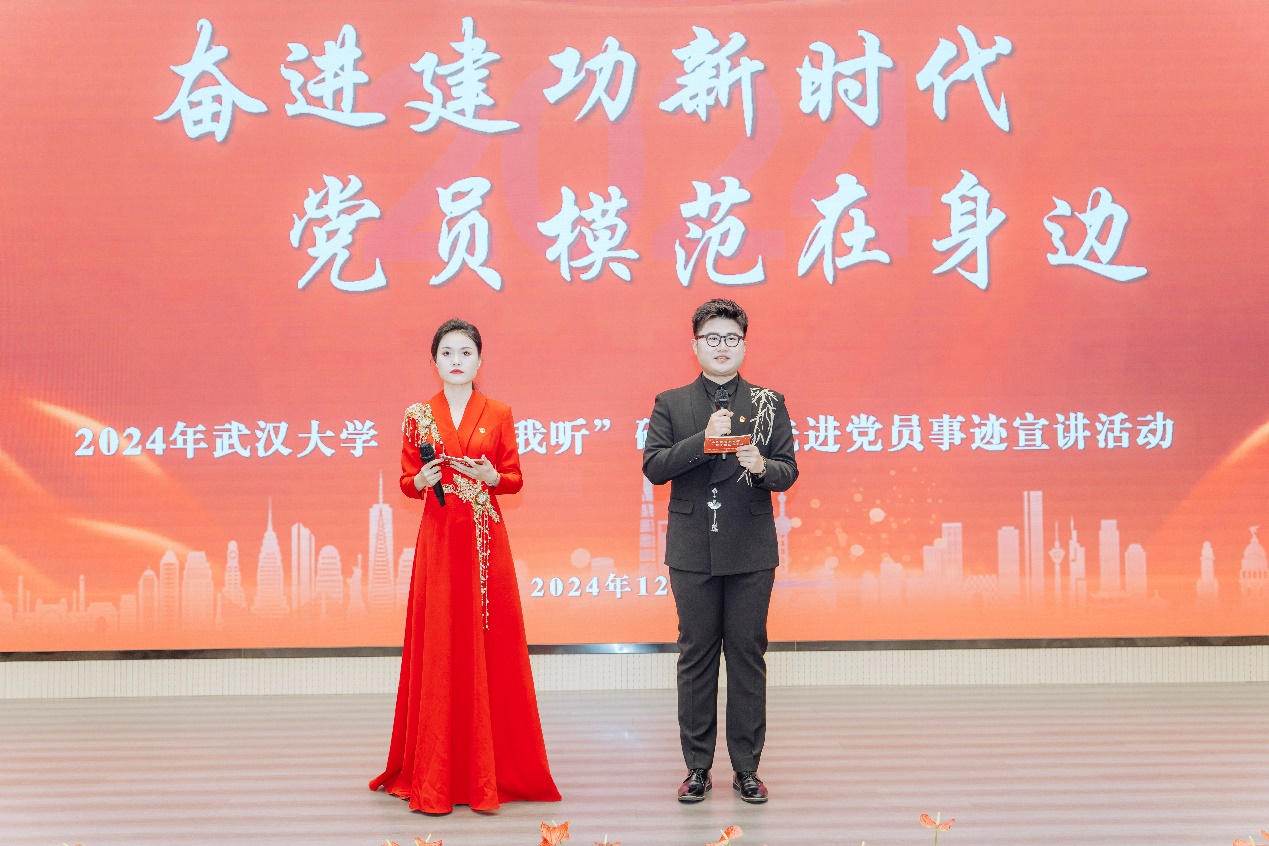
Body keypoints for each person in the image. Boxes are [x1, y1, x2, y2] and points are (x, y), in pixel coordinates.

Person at [370, 318, 561, 815]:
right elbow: (406, 480)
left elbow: (514, 479)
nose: (456, 360)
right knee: (440, 643)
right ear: (434, 361)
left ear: (479, 360)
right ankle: (435, 771)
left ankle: (489, 770)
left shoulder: (498, 412)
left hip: (484, 539)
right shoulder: (418, 415)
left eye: (466, 352)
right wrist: (421, 480)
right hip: (438, 537)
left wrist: (492, 475)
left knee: (489, 643)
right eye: (447, 352)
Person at [642, 298, 798, 805]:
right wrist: (704, 442)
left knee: (748, 656)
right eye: (712, 338)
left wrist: (761, 466)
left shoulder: (770, 402)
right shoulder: (671, 402)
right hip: (692, 549)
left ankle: (747, 769)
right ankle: (697, 768)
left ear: (744, 346)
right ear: (695, 346)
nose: (722, 346)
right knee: (696, 656)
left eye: (731, 338)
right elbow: (654, 466)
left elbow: (788, 469)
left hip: (751, 549)